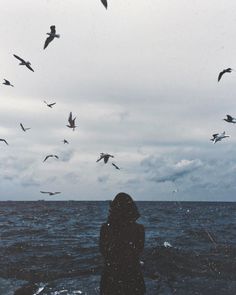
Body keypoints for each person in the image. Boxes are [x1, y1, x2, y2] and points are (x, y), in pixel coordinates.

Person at [99, 192, 146, 295]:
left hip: (110, 274)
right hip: (133, 274)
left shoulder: (105, 228)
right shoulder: (139, 229)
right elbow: (139, 250)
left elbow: (103, 251)